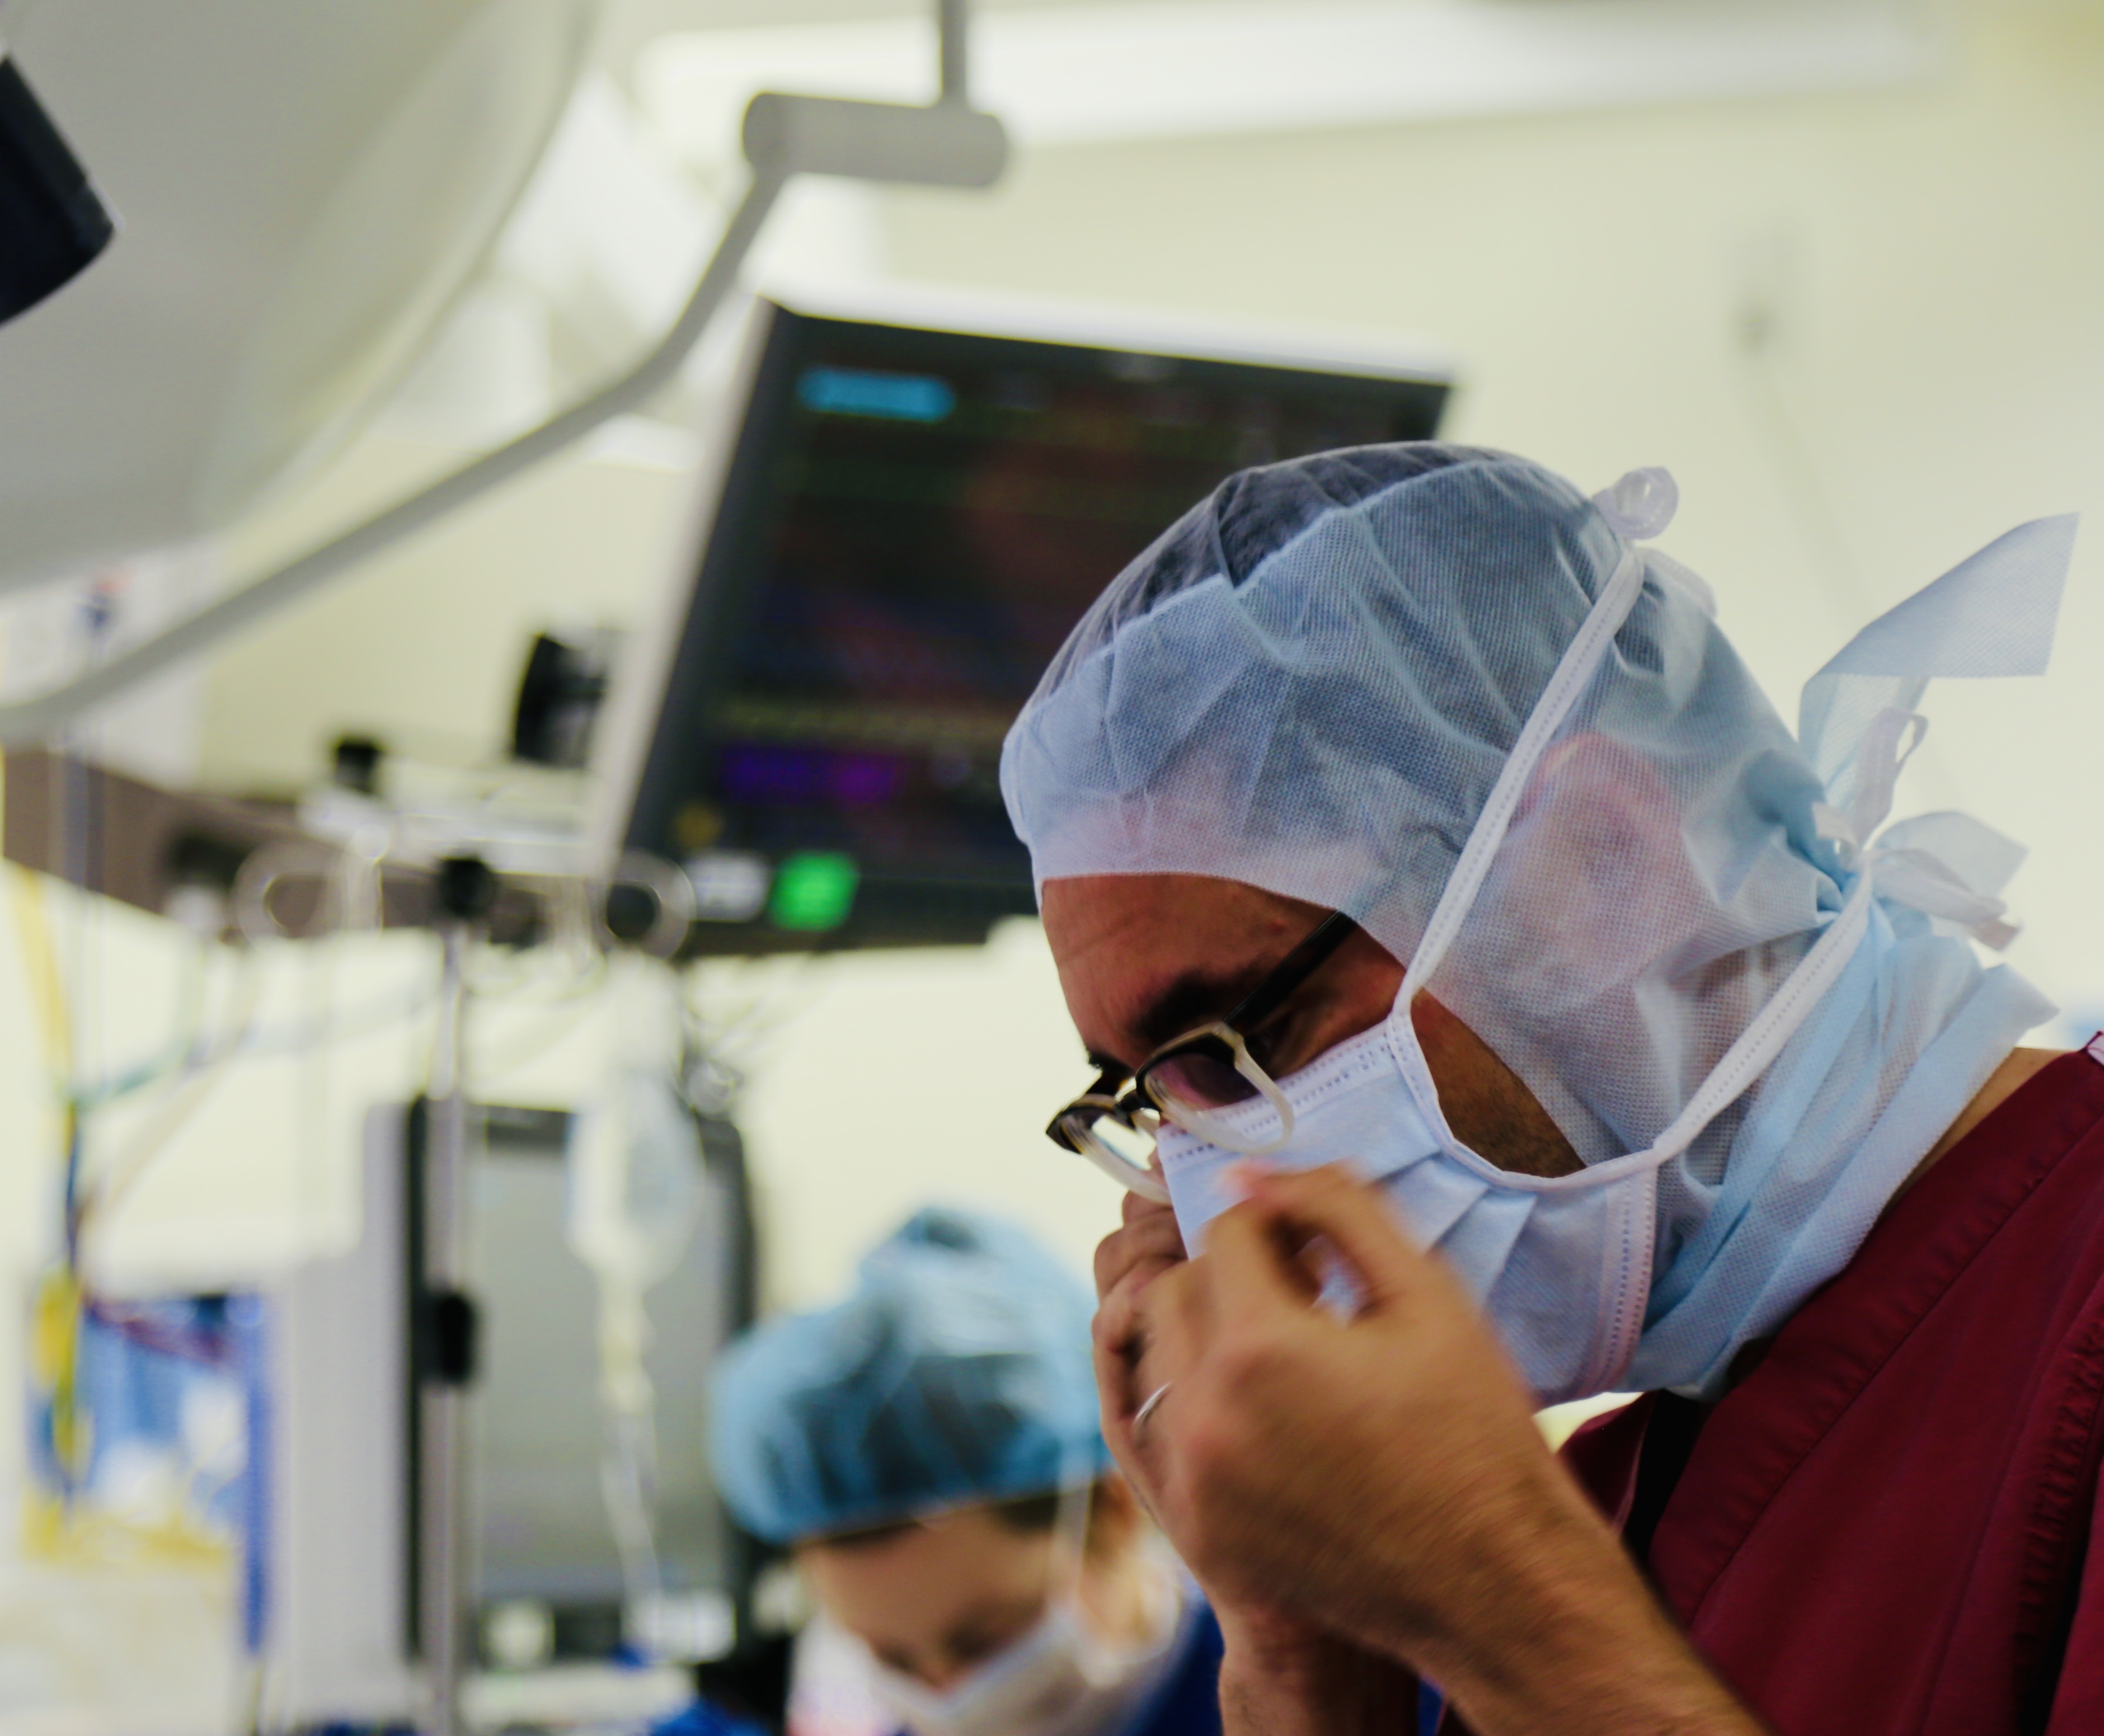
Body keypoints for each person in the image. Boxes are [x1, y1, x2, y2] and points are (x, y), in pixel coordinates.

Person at [997, 441, 2101, 1733]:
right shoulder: (1622, 1493)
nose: (1206, 1198)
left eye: (1236, 1043)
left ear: (1598, 863)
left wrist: (1505, 1604)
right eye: (1153, 1103)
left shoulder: (2062, 1317)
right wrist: (1302, 1651)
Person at [699, 1207, 1223, 1736]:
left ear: (1115, 1511)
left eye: (985, 1641)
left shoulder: (1287, 1691)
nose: (948, 1701)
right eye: (893, 1662)